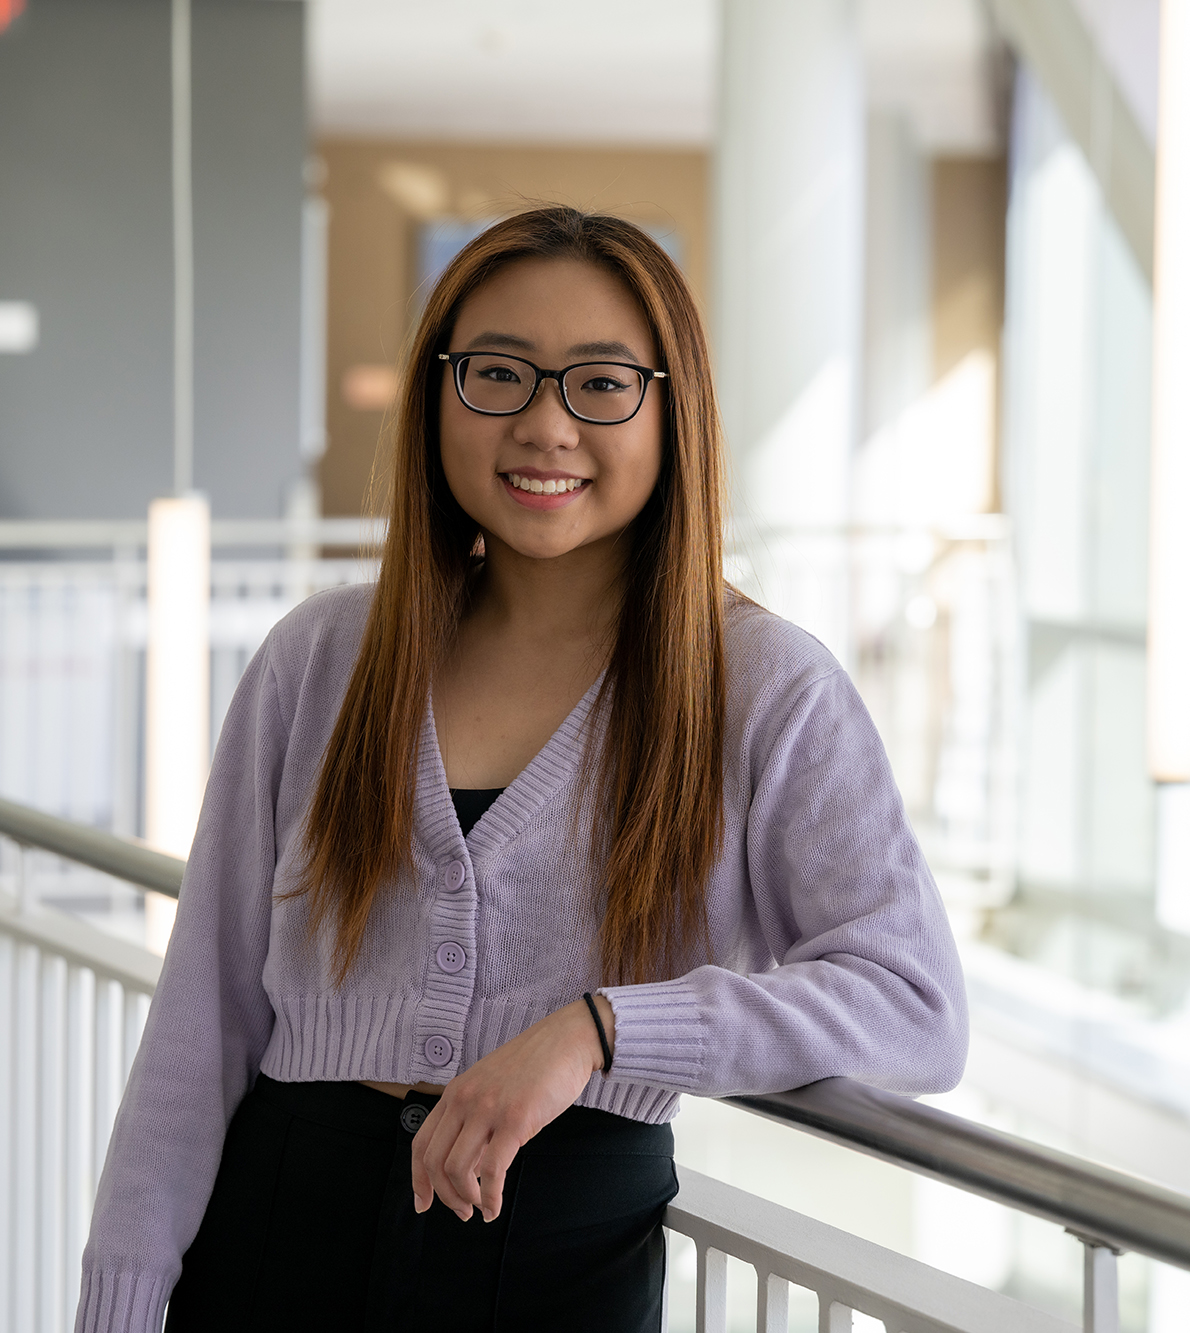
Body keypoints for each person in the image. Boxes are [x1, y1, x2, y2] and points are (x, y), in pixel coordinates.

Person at [74, 206, 967, 1333]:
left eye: (600, 384)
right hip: (273, 1232)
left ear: (670, 409)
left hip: (555, 1259)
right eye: (496, 373)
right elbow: (199, 1027)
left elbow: (914, 1007)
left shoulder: (764, 688)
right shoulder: (324, 657)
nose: (544, 425)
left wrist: (597, 1029)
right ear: (438, 395)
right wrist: (119, 1298)